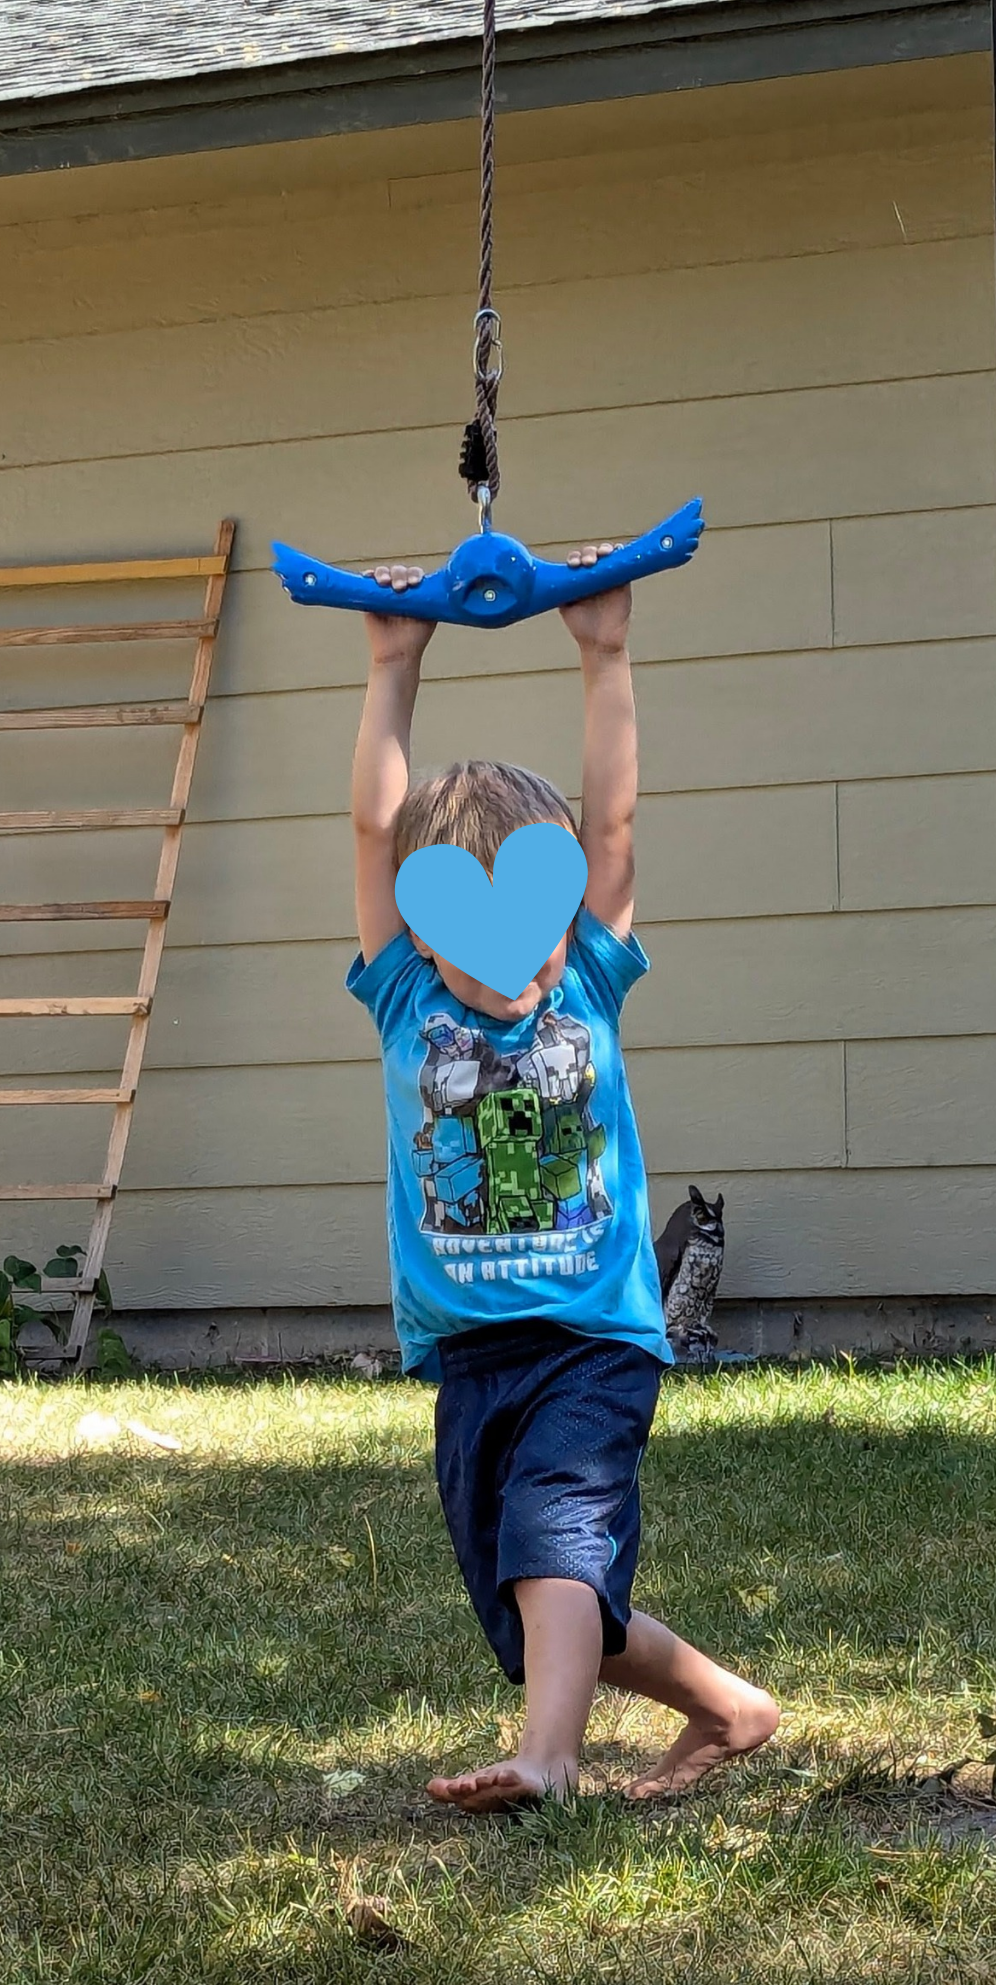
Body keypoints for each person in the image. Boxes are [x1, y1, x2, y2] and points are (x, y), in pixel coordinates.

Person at [347, 543, 778, 1809]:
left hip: (592, 1335)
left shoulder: (590, 971)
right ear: (423, 921)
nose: (522, 959)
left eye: (543, 921)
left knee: (553, 1540)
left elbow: (615, 819)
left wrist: (605, 651)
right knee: (533, 1605)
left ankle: (549, 1757)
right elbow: (376, 823)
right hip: (471, 1355)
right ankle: (726, 1703)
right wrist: (390, 664)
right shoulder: (402, 995)